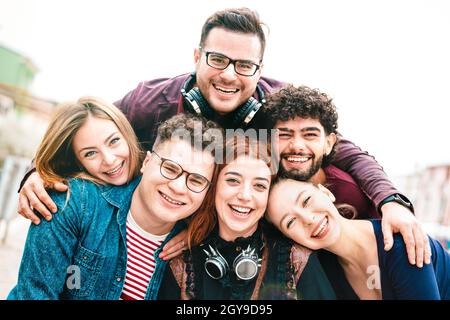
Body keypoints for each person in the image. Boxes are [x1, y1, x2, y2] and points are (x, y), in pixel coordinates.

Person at [18, 7, 427, 266]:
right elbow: (93, 132)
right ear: (197, 57)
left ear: (260, 68)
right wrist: (40, 171)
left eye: (244, 65)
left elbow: (347, 149)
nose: (230, 75)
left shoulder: (278, 106)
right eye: (217, 59)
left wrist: (391, 200)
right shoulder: (151, 100)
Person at [8, 113, 221, 299]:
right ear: (146, 163)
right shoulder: (74, 204)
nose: (178, 187)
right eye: (170, 168)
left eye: (196, 181)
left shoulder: (197, 251)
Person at [157, 135, 336, 300]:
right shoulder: (182, 265)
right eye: (233, 181)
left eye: (259, 185)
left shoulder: (295, 260)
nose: (245, 195)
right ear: (214, 187)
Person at [267, 179, 450, 299]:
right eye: (290, 222)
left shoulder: (398, 244)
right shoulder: (326, 267)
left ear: (325, 192)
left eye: (306, 200)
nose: (308, 219)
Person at [262, 84, 379, 219]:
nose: (297, 146)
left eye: (310, 135)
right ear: (269, 142)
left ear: (328, 143)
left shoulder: (350, 194)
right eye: (284, 135)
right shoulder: (258, 184)